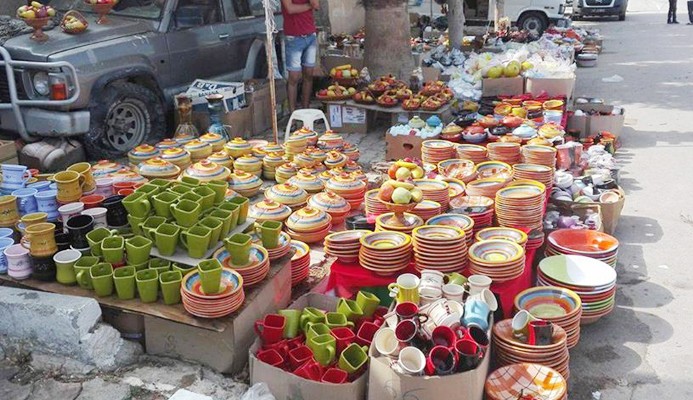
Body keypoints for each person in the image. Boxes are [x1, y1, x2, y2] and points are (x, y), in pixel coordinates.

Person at [281, 0, 320, 112]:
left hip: (310, 34)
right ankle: (292, 115)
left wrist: (309, 5)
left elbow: (316, 5)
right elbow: (290, 8)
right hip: (293, 36)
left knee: (308, 74)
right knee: (293, 77)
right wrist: (308, 6)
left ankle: (306, 110)